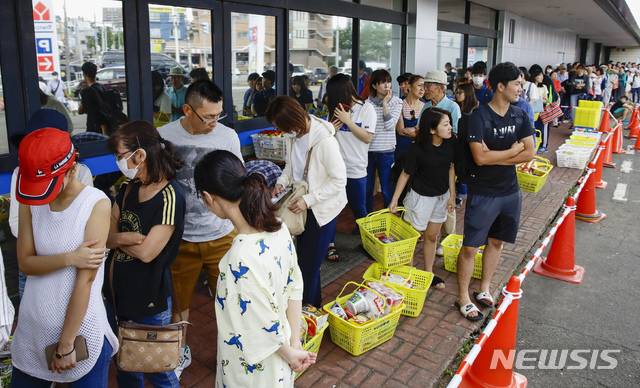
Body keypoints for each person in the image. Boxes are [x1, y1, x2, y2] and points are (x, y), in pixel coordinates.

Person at [193, 150, 316, 387]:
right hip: (283, 357)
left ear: (208, 198)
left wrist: (291, 353)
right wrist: (295, 343)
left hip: (254, 371)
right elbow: (295, 286)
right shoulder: (278, 228)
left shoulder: (239, 258)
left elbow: (257, 323)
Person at [11, 127, 117, 386]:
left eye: (49, 184)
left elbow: (86, 281)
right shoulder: (30, 197)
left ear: (72, 169)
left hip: (80, 335)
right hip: (32, 330)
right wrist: (70, 258)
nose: (42, 194)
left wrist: (66, 345)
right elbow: (25, 263)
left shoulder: (96, 203)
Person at [157, 80, 242, 378]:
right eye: (208, 117)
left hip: (222, 236)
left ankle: (230, 356)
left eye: (219, 115)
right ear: (187, 109)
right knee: (179, 305)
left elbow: (237, 184)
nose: (214, 123)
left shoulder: (228, 137)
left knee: (231, 302)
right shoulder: (163, 136)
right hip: (179, 238)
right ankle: (179, 353)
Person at [104, 120, 186, 387]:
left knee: (158, 370)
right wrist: (126, 238)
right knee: (125, 364)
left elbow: (149, 253)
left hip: (150, 298)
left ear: (139, 155)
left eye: (119, 156)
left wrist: (114, 240)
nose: (117, 161)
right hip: (117, 295)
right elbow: (105, 235)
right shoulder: (128, 188)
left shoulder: (170, 195)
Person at [456, 62, 535, 321]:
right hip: (483, 191)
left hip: (510, 191)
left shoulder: (521, 115)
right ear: (500, 86)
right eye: (517, 84)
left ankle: (484, 288)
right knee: (470, 247)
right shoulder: (480, 116)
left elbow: (530, 152)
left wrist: (495, 156)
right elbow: (479, 158)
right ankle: (464, 297)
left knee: (497, 241)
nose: (521, 90)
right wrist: (512, 151)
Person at [269, 96, 347, 307]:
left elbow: (340, 180)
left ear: (293, 121)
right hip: (303, 205)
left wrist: (309, 200)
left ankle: (306, 315)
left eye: (282, 127)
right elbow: (290, 166)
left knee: (307, 267)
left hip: (323, 210)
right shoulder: (293, 135)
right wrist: (282, 182)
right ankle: (314, 310)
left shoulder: (324, 141)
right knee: (307, 263)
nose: (282, 133)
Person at [9, 109, 94, 301]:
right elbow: (17, 224)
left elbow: (87, 227)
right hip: (35, 265)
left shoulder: (82, 174)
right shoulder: (21, 176)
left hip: (71, 269)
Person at [390, 107, 456, 290]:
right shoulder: (417, 149)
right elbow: (405, 174)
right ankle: (409, 275)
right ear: (432, 129)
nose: (450, 127)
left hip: (441, 197)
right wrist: (395, 200)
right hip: (420, 198)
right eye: (446, 124)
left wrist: (452, 195)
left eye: (449, 123)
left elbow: (451, 168)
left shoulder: (451, 143)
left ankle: (428, 273)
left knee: (432, 237)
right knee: (412, 238)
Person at [327, 73, 376, 239]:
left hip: (356, 169)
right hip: (334, 169)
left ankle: (368, 242)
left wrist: (348, 121)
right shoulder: (336, 109)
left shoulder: (366, 109)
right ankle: (330, 244)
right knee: (331, 209)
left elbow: (367, 137)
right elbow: (329, 140)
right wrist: (331, 130)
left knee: (359, 209)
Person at [366, 69, 403, 214]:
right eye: (382, 83)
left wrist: (385, 104)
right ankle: (365, 222)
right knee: (368, 190)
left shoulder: (396, 102)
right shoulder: (367, 103)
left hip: (386, 152)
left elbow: (389, 125)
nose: (387, 86)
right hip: (368, 151)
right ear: (374, 86)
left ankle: (388, 221)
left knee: (387, 191)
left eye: (388, 82)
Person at [396, 74, 425, 159]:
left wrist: (413, 130)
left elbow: (427, 131)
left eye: (424, 86)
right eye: (419, 85)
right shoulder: (399, 104)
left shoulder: (426, 106)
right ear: (410, 87)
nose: (422, 89)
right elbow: (401, 131)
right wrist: (420, 132)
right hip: (401, 149)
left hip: (420, 150)